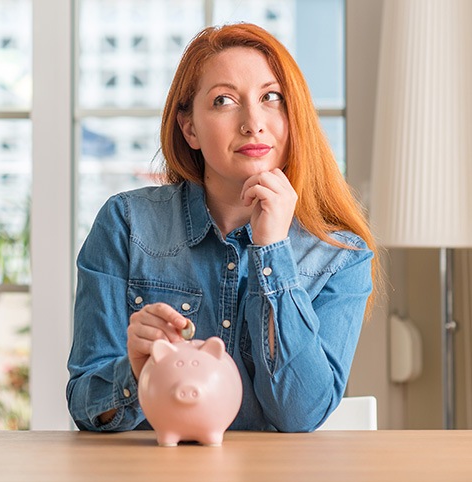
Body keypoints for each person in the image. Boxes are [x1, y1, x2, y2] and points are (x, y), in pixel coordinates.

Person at [66, 23, 379, 433]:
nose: (253, 123)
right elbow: (86, 405)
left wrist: (272, 252)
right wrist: (136, 373)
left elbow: (300, 416)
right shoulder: (126, 224)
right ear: (189, 128)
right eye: (224, 101)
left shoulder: (339, 256)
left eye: (271, 98)